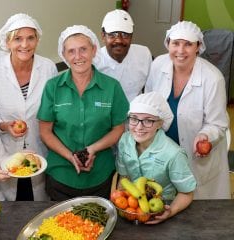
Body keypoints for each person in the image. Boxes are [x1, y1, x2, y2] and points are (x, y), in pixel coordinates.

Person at [37, 25, 129, 201]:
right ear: (64, 55)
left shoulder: (112, 87)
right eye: (71, 51)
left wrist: (93, 149)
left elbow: (118, 129)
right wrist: (70, 157)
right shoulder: (53, 87)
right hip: (61, 176)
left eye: (83, 50)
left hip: (101, 176)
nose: (78, 57)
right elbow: (45, 132)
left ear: (94, 50)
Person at [145, 21, 231, 199]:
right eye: (176, 43)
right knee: (163, 202)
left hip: (196, 157)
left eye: (188, 44)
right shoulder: (158, 65)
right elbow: (149, 104)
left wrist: (205, 136)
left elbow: (217, 123)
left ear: (198, 46)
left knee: (197, 211)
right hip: (164, 150)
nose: (181, 51)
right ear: (168, 44)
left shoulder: (213, 78)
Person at [0, 13, 58, 201]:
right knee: (11, 207)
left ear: (37, 40)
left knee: (39, 204)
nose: (25, 45)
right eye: (17, 39)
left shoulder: (48, 68)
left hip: (40, 148)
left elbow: (56, 110)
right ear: (7, 42)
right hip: (6, 151)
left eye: (30, 38)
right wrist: (4, 126)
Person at [116, 92, 196, 224]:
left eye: (148, 120)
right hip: (131, 208)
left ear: (160, 123)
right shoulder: (125, 141)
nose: (139, 127)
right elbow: (124, 177)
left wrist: (171, 211)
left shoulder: (174, 154)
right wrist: (120, 202)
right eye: (134, 118)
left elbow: (187, 193)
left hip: (162, 210)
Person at [94, 9, 152, 102]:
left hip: (136, 112)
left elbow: (151, 90)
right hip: (104, 113)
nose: (119, 40)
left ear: (132, 36)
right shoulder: (94, 60)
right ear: (103, 36)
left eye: (125, 34)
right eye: (112, 35)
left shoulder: (143, 54)